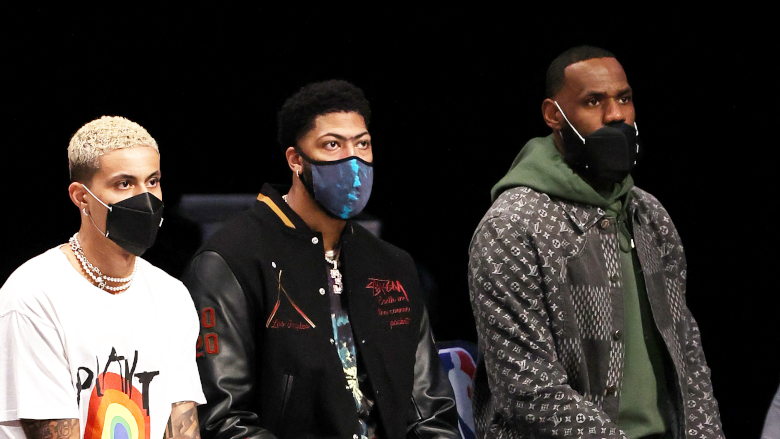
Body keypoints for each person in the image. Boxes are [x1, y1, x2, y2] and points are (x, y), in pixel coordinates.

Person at [467, 46, 724, 439]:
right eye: (593, 101)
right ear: (554, 115)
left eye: (624, 98)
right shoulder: (512, 228)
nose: (616, 115)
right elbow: (527, 391)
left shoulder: (648, 214)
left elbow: (687, 354)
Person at [182, 80, 459, 439]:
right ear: (296, 160)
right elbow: (224, 419)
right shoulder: (230, 260)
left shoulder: (392, 265)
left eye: (362, 144)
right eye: (332, 145)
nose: (353, 160)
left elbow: (430, 411)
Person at [0, 116, 205, 439]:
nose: (146, 199)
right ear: (81, 197)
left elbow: (182, 427)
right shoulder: (34, 294)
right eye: (124, 184)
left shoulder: (172, 296)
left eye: (152, 181)